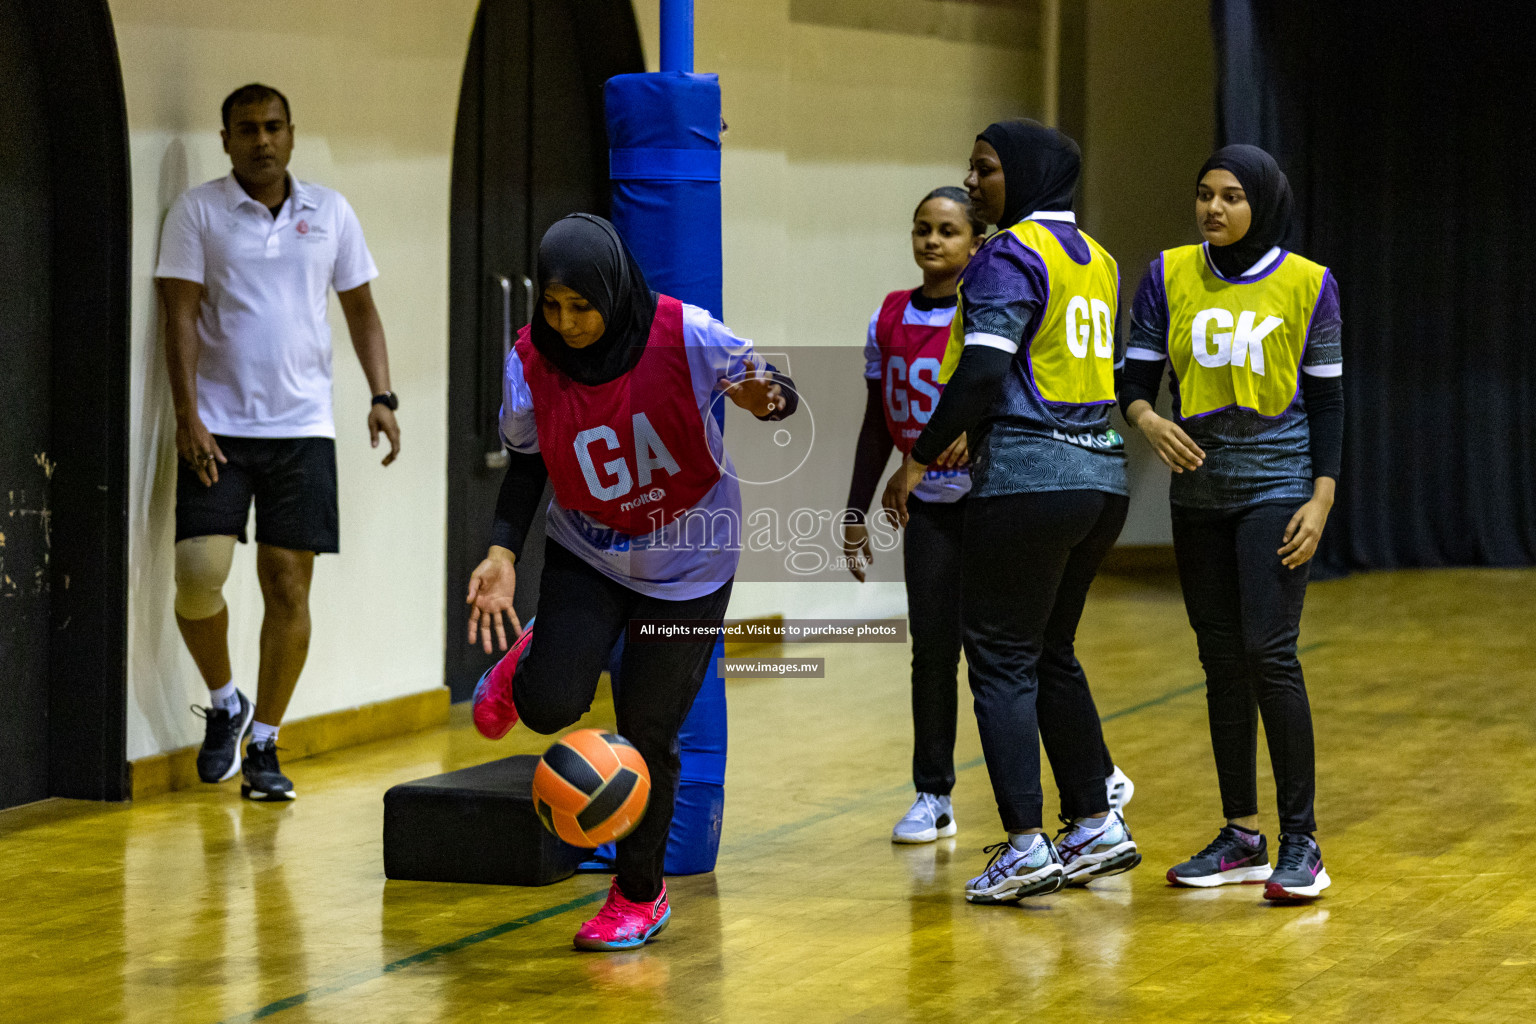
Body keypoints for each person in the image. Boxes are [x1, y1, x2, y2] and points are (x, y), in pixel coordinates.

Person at [465, 214, 794, 951]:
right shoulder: (532, 360)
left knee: (650, 731)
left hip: (691, 566)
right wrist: (502, 552)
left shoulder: (685, 333)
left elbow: (780, 393)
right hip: (591, 549)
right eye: (553, 306)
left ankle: (639, 896)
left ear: (614, 292)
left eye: (583, 306)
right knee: (549, 705)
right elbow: (527, 463)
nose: (568, 323)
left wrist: (763, 397)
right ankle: (540, 655)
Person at [882, 119, 1139, 904]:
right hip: (1102, 481)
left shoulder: (1007, 254)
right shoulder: (1098, 257)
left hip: (1029, 477)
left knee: (997, 657)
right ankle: (1095, 823)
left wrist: (919, 455)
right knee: (1051, 652)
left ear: (1025, 177)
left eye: (986, 170)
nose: (975, 181)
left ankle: (1026, 846)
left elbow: (984, 374)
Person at [155, 83, 401, 802]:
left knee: (287, 585)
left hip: (302, 430)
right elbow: (179, 316)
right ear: (225, 139)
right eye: (246, 129)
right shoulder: (198, 212)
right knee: (199, 572)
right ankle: (225, 700)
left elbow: (362, 312)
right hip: (218, 426)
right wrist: (186, 414)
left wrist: (381, 396)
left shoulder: (331, 213)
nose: (261, 140)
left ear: (291, 134)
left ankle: (264, 743)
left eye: (272, 127)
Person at [1117, 144, 1341, 901]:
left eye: (1231, 196)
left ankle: (1302, 842)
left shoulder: (1310, 284)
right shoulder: (1168, 273)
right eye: (1205, 193)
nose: (1213, 208)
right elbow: (1136, 379)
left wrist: (1322, 497)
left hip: (1278, 486)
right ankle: (1242, 834)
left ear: (1263, 203)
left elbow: (1330, 402)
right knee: (1218, 660)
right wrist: (1146, 418)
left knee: (1266, 652)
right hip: (1198, 494)